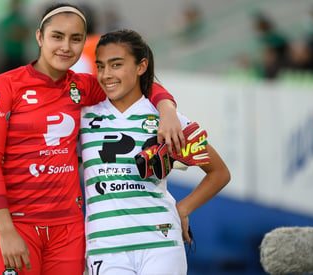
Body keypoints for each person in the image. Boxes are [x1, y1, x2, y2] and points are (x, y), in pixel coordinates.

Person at [0, 3, 184, 275]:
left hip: (69, 232)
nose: (66, 46)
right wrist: (5, 230)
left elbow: (137, 82)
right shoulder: (5, 86)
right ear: (39, 37)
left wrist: (167, 109)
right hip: (18, 225)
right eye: (57, 36)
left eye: (75, 39)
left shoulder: (82, 86)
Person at [79, 29, 231, 275]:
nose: (106, 75)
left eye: (116, 65)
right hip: (105, 247)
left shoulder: (166, 118)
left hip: (161, 242)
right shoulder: (84, 116)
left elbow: (219, 172)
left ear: (141, 66)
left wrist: (182, 209)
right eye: (101, 66)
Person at [0, 0, 30, 72]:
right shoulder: (7, 21)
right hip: (10, 55)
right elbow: (10, 36)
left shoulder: (21, 21)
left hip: (19, 54)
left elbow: (25, 34)